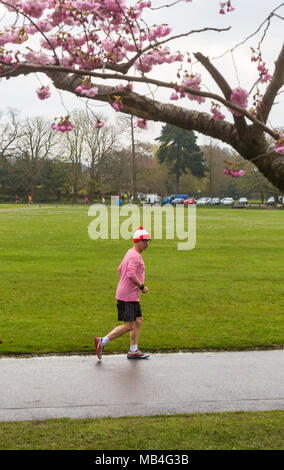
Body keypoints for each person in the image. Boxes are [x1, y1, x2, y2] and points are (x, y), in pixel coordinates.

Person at [94, 227, 151, 360]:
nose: (147, 243)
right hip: (128, 296)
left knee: (138, 320)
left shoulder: (130, 252)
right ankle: (102, 342)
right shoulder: (135, 256)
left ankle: (133, 350)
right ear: (137, 241)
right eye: (145, 241)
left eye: (149, 241)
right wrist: (141, 286)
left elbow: (120, 269)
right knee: (129, 325)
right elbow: (130, 274)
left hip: (130, 294)